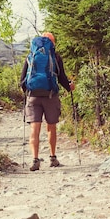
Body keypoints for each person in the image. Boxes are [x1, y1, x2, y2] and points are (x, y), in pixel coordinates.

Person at [20, 32, 75, 171]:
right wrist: (69, 87)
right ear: (52, 43)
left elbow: (22, 81)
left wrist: (27, 92)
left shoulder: (30, 57)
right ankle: (53, 158)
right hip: (51, 96)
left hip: (33, 96)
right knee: (51, 127)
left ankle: (35, 160)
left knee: (34, 128)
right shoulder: (55, 57)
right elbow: (62, 77)